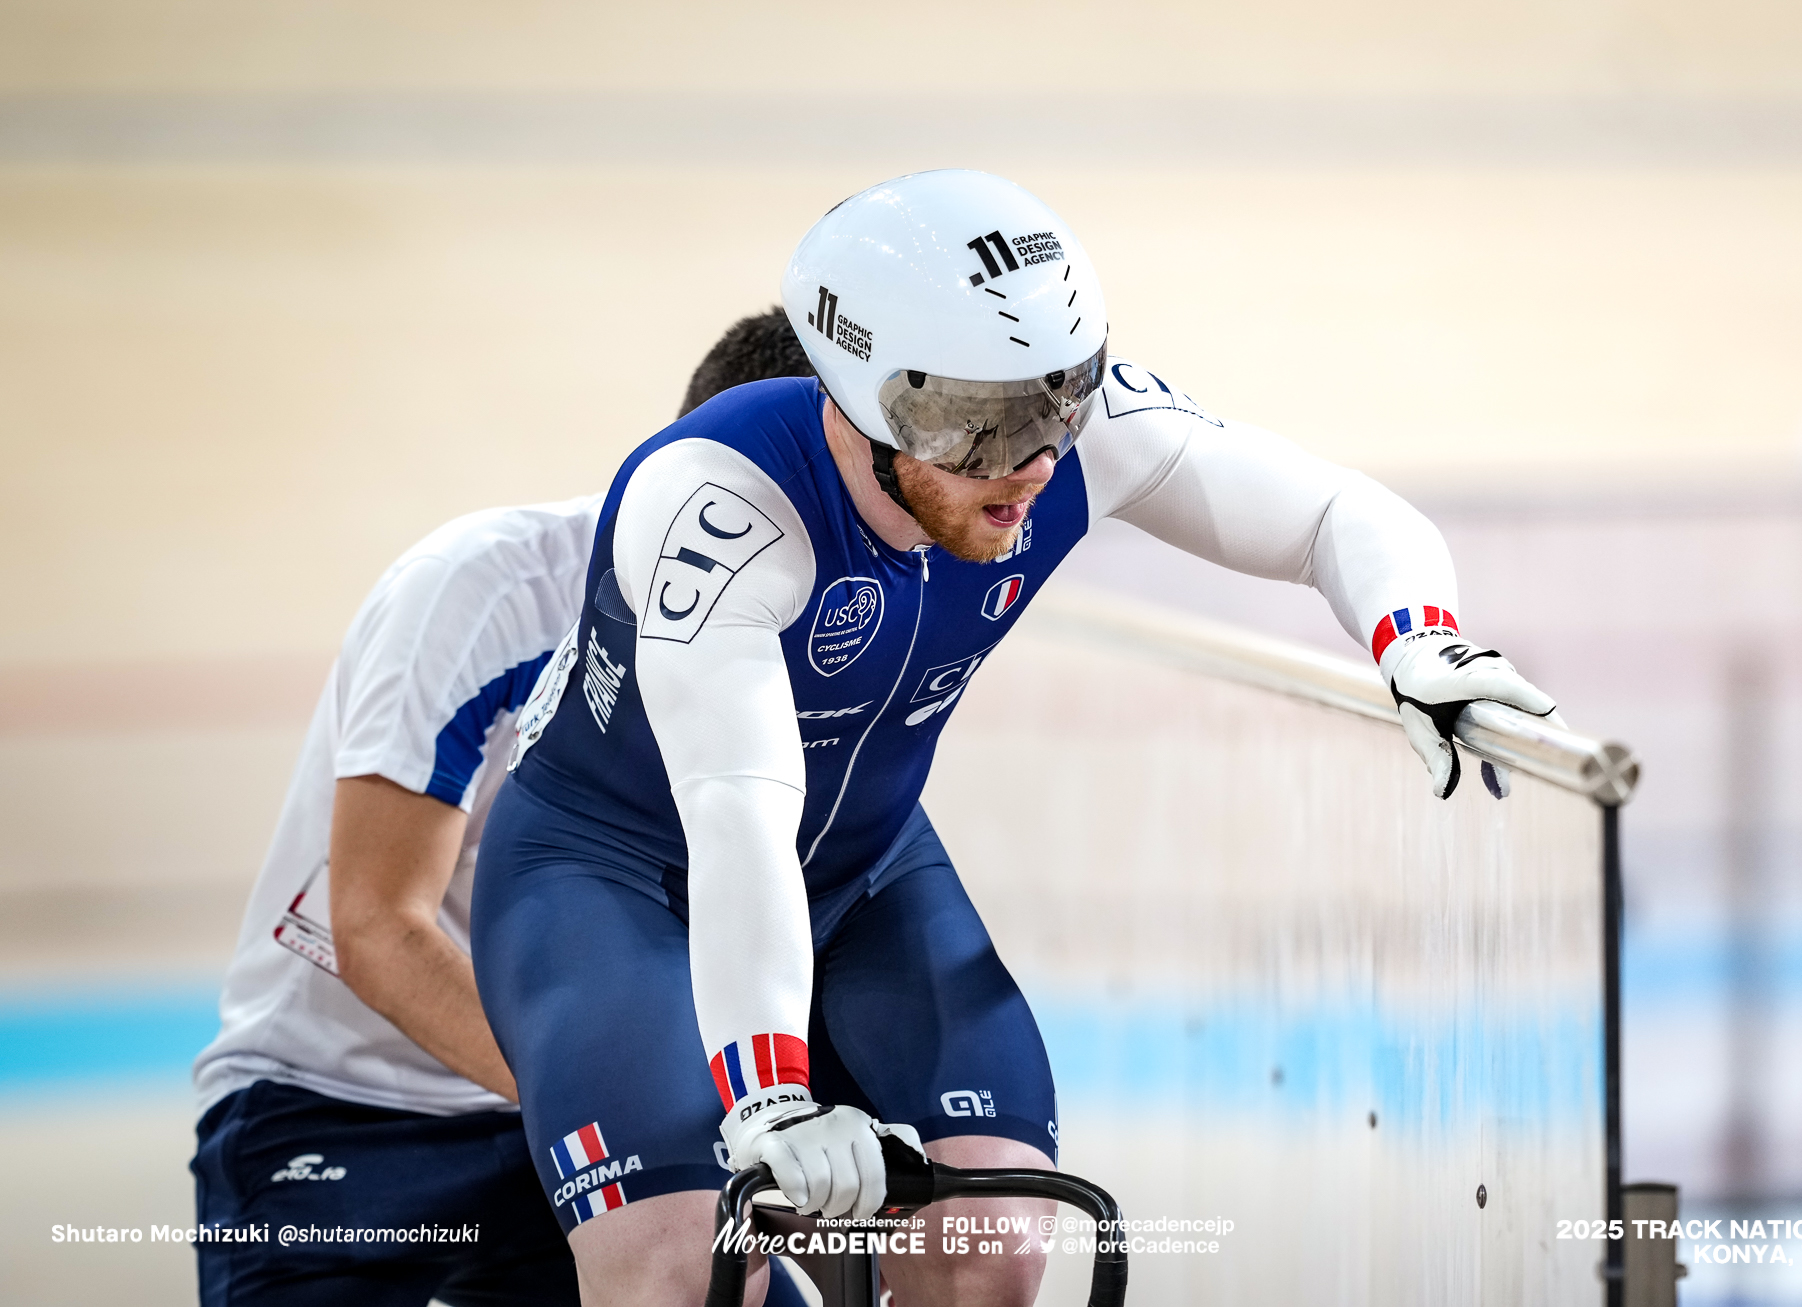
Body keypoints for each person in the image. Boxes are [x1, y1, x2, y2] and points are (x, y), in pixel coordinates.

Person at [472, 169, 1560, 1307]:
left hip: (859, 862)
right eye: (972, 425)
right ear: (858, 398)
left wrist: (1418, 637)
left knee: (993, 1243)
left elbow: (1334, 512)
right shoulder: (721, 506)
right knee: (686, 1269)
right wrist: (769, 1096)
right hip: (615, 880)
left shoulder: (1067, 436)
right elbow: (739, 808)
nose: (1028, 463)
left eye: (1052, 402)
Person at [188, 309, 815, 1307]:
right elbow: (377, 925)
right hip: (342, 1108)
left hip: (578, 1110)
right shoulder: (483, 589)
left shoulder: (819, 644)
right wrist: (618, 1105)